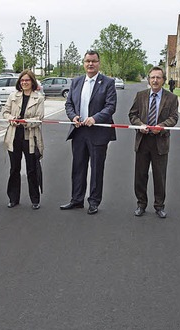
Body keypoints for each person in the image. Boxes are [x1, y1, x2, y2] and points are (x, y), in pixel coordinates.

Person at [60, 50, 117, 215]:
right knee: (78, 167)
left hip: (98, 132)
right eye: (87, 61)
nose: (90, 64)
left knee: (96, 168)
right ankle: (76, 200)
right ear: (83, 63)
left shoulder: (107, 82)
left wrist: (95, 118)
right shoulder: (76, 82)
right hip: (79, 131)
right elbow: (69, 104)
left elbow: (110, 106)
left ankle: (93, 201)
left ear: (99, 63)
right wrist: (73, 117)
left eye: (93, 61)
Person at [128, 66, 178, 218]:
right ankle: (141, 204)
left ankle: (159, 206)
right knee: (140, 175)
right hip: (143, 141)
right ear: (148, 79)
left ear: (163, 80)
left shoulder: (171, 98)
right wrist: (139, 125)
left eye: (158, 77)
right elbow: (132, 115)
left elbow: (174, 118)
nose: (155, 80)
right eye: (152, 77)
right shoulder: (140, 95)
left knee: (159, 176)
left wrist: (161, 127)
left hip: (160, 142)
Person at [2, 70, 45, 210]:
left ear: (32, 82)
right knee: (14, 168)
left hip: (30, 137)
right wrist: (11, 119)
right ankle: (13, 198)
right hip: (14, 136)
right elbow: (5, 112)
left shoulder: (39, 98)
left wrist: (25, 122)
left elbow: (39, 118)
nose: (24, 83)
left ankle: (35, 199)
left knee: (32, 169)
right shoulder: (13, 96)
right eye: (22, 81)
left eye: (27, 80)